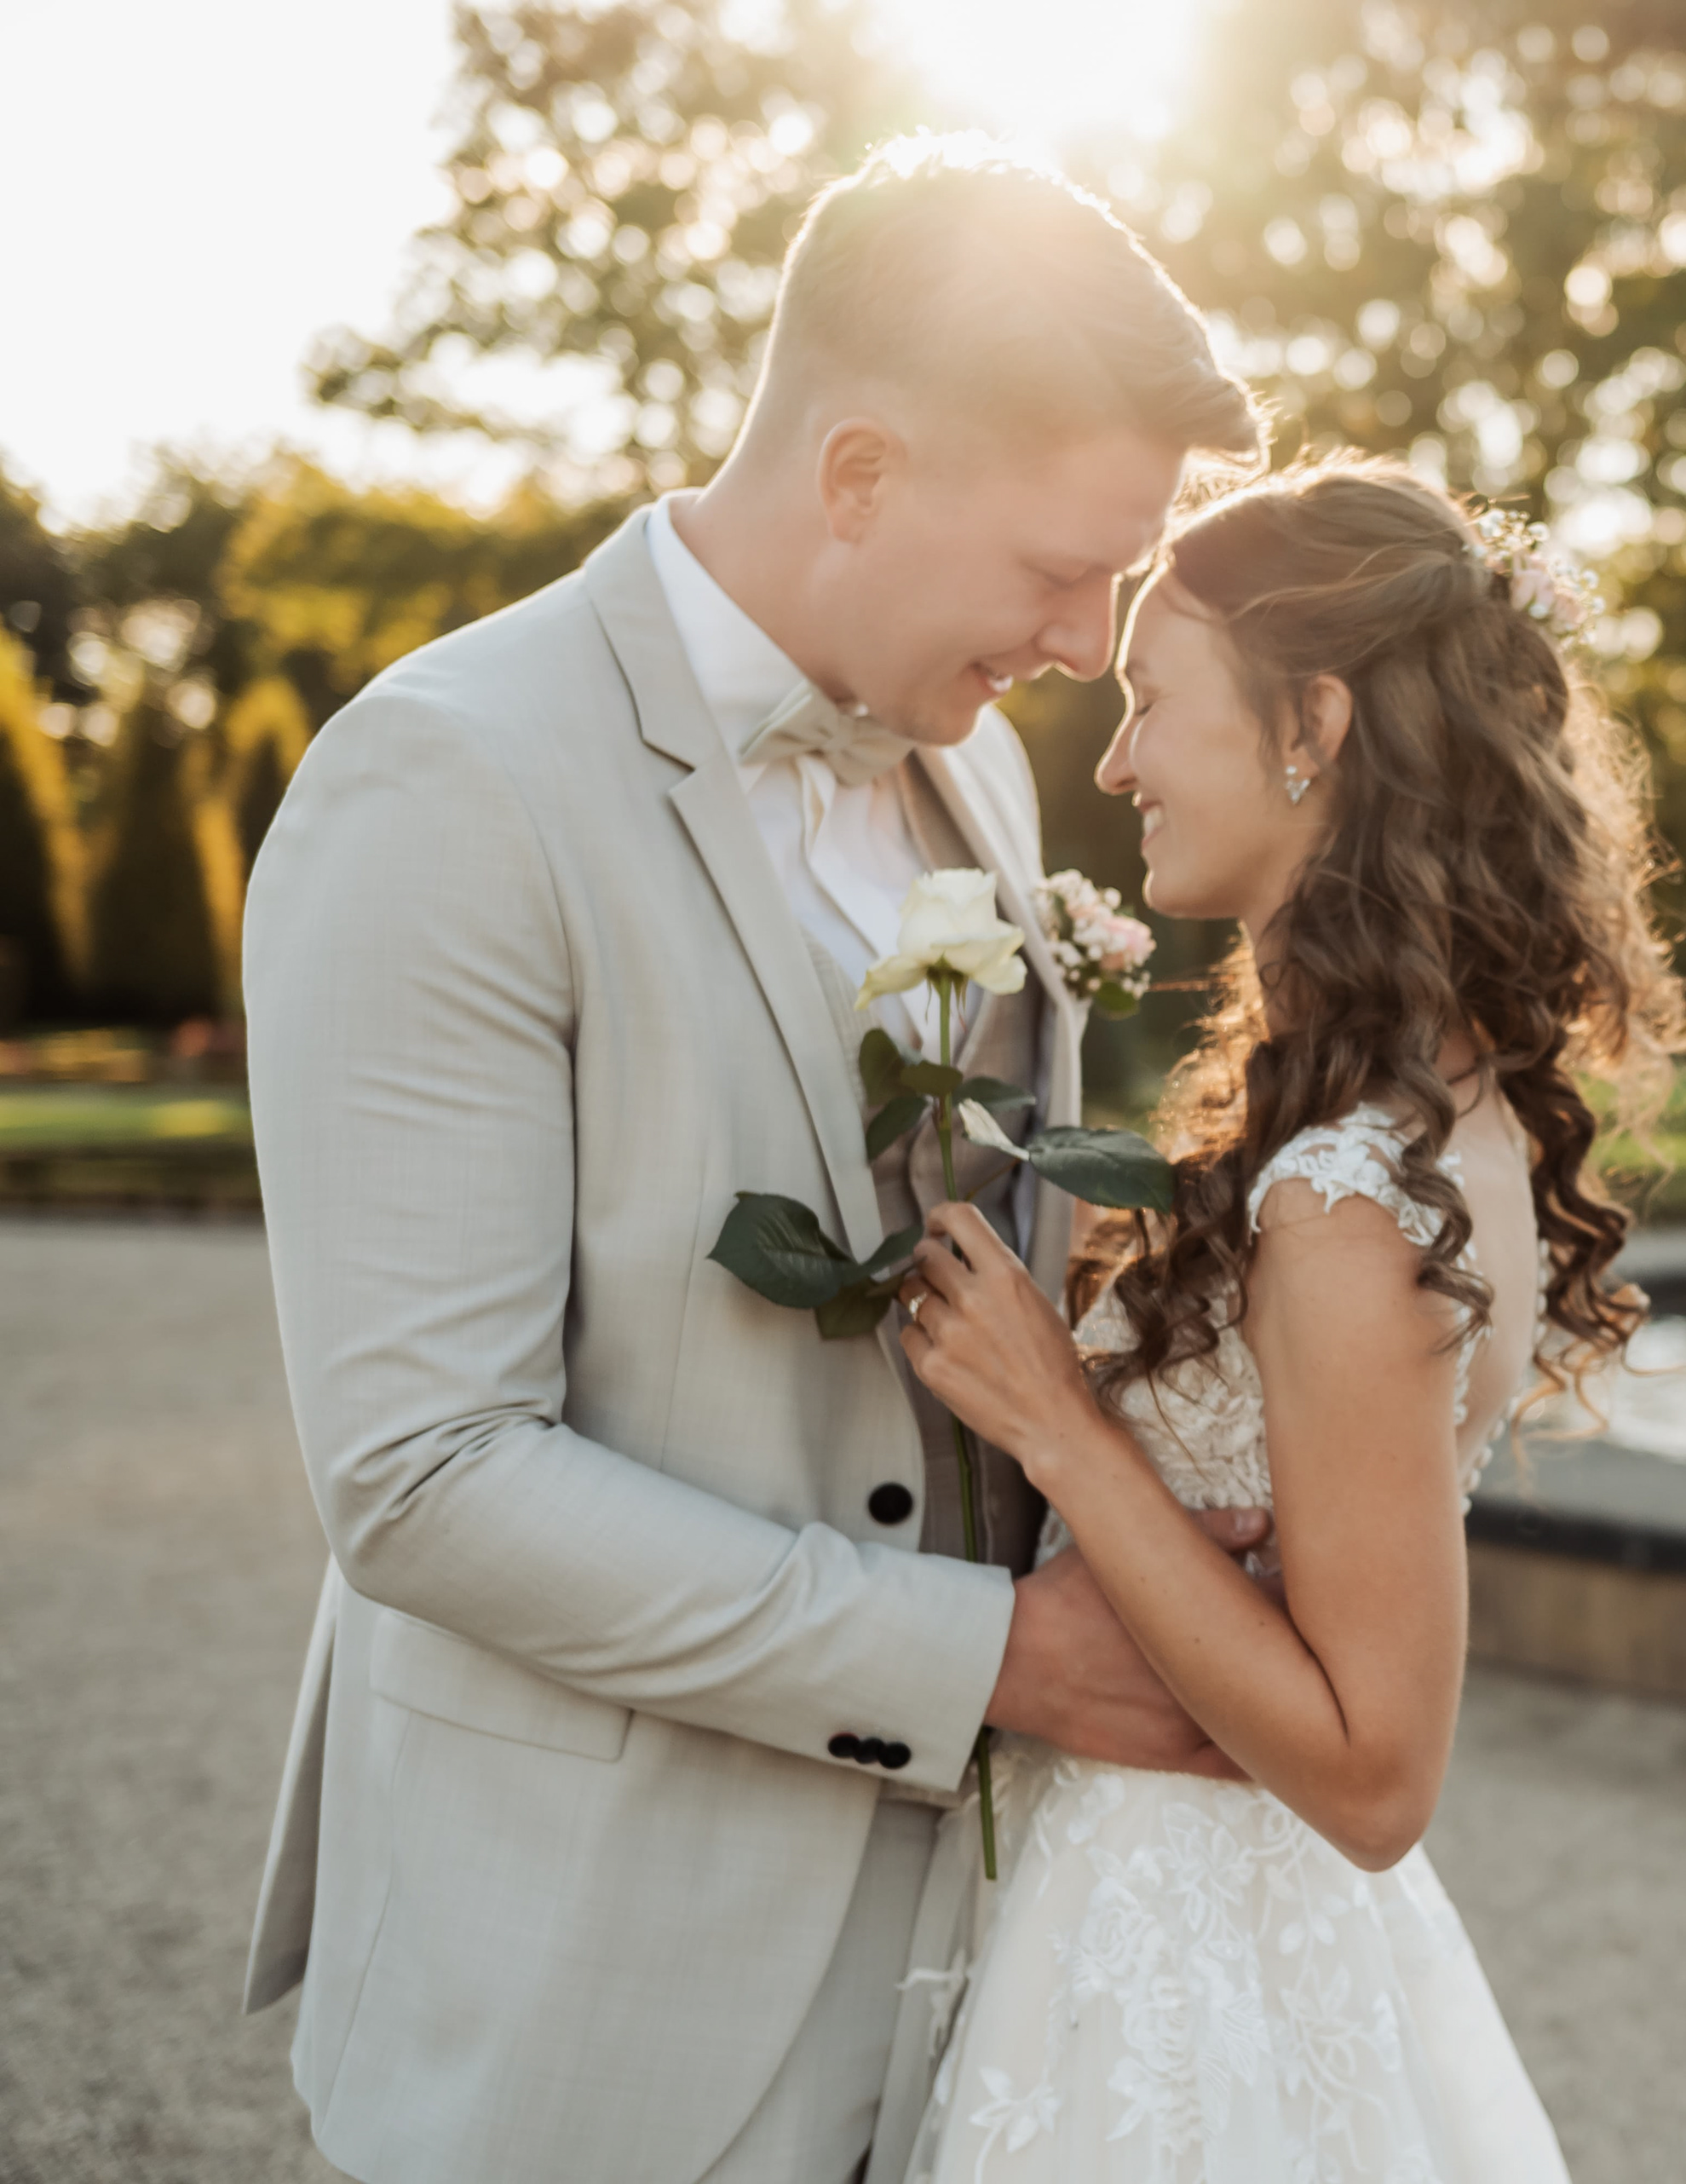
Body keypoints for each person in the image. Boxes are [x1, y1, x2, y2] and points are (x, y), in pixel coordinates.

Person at [239, 136, 1263, 2184]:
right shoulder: (444, 783)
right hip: (591, 1972)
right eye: (1066, 566)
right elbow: (421, 1478)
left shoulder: (974, 757)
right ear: (860, 475)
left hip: (975, 1969)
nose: (1090, 642)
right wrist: (988, 1660)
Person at [883, 459, 1686, 2180]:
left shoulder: (1343, 1196)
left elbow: (1377, 1770)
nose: (1113, 765)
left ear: (1310, 722)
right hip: (1185, 1924)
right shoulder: (1396, 1115)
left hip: (1188, 1965)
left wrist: (1062, 1426)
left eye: (1151, 701)